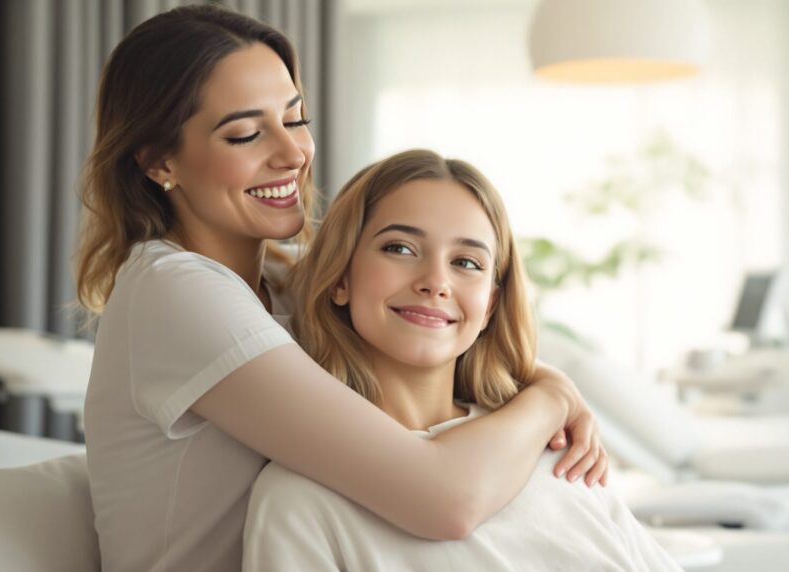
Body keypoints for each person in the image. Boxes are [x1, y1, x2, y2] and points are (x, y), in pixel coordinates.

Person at [76, 6, 607, 571]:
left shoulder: (283, 282)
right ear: (160, 161)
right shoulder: (174, 293)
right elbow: (444, 499)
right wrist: (550, 401)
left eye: (295, 118)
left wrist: (551, 378)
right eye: (246, 134)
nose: (291, 154)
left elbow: (430, 319)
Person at [243, 149, 681, 571]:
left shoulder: (556, 453)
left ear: (490, 303)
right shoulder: (298, 500)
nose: (435, 282)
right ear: (341, 278)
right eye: (399, 248)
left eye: (467, 262)